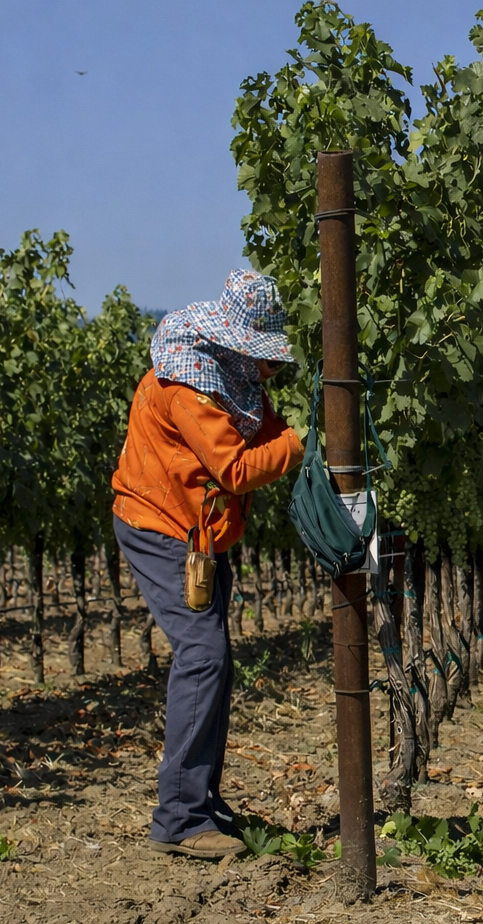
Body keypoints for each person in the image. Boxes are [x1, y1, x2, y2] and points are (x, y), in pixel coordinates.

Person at [112, 270, 304, 859]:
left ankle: (203, 803)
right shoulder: (189, 385)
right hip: (160, 526)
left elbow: (266, 428)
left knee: (214, 662)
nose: (271, 371)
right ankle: (180, 818)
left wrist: (298, 426)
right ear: (237, 344)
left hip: (199, 533)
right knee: (204, 657)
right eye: (266, 358)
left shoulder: (231, 377)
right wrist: (302, 443)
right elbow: (236, 469)